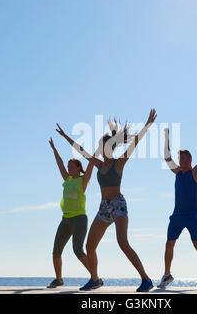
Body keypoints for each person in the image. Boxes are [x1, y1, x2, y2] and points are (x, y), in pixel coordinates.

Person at [55, 109, 157, 292]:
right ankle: (94, 279)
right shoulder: (98, 164)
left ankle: (146, 279)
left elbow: (135, 143)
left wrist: (147, 125)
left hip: (118, 204)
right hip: (104, 208)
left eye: (104, 147)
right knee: (90, 245)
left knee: (122, 242)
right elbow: (80, 149)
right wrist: (64, 136)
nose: (101, 150)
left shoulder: (119, 162)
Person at [157, 119, 197, 288]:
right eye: (179, 159)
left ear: (189, 160)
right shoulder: (178, 173)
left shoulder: (196, 172)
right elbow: (166, 157)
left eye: (183, 159)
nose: (180, 161)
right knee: (169, 243)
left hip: (192, 215)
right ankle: (167, 275)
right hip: (177, 215)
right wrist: (166, 137)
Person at [46, 137, 97, 288]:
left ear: (78, 168)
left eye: (71, 166)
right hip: (65, 220)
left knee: (78, 250)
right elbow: (59, 164)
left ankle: (95, 278)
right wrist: (54, 150)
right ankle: (59, 279)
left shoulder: (83, 180)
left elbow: (91, 165)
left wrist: (96, 152)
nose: (68, 169)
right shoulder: (67, 179)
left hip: (79, 219)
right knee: (56, 251)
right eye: (68, 167)